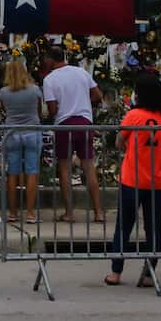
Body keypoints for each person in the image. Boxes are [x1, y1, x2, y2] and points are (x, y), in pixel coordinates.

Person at [105, 75, 161, 287]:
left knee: (124, 226)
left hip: (133, 178)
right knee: (153, 228)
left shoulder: (134, 115)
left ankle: (116, 272)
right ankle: (148, 274)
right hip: (159, 180)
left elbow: (120, 140)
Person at [43, 46, 104, 223]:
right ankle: (98, 212)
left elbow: (53, 109)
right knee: (89, 167)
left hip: (65, 124)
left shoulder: (50, 79)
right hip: (85, 122)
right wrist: (83, 101)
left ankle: (69, 212)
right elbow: (97, 95)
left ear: (50, 59)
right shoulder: (81, 72)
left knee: (64, 169)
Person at [0, 60, 44, 223]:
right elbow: (39, 110)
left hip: (12, 133)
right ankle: (30, 213)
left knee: (13, 173)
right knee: (32, 171)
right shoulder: (35, 90)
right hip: (32, 131)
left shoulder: (4, 92)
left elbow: (4, 109)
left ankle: (13, 213)